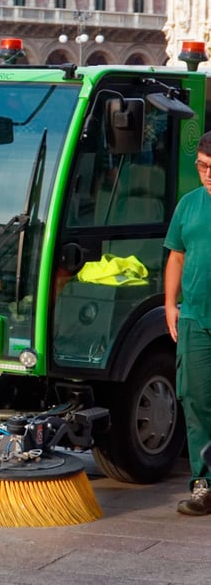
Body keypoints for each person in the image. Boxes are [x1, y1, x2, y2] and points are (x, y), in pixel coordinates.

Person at [164, 130, 211, 516]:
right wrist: (169, 303)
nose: (207, 174)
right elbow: (177, 256)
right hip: (195, 319)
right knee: (196, 403)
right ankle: (204, 485)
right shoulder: (189, 205)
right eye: (202, 166)